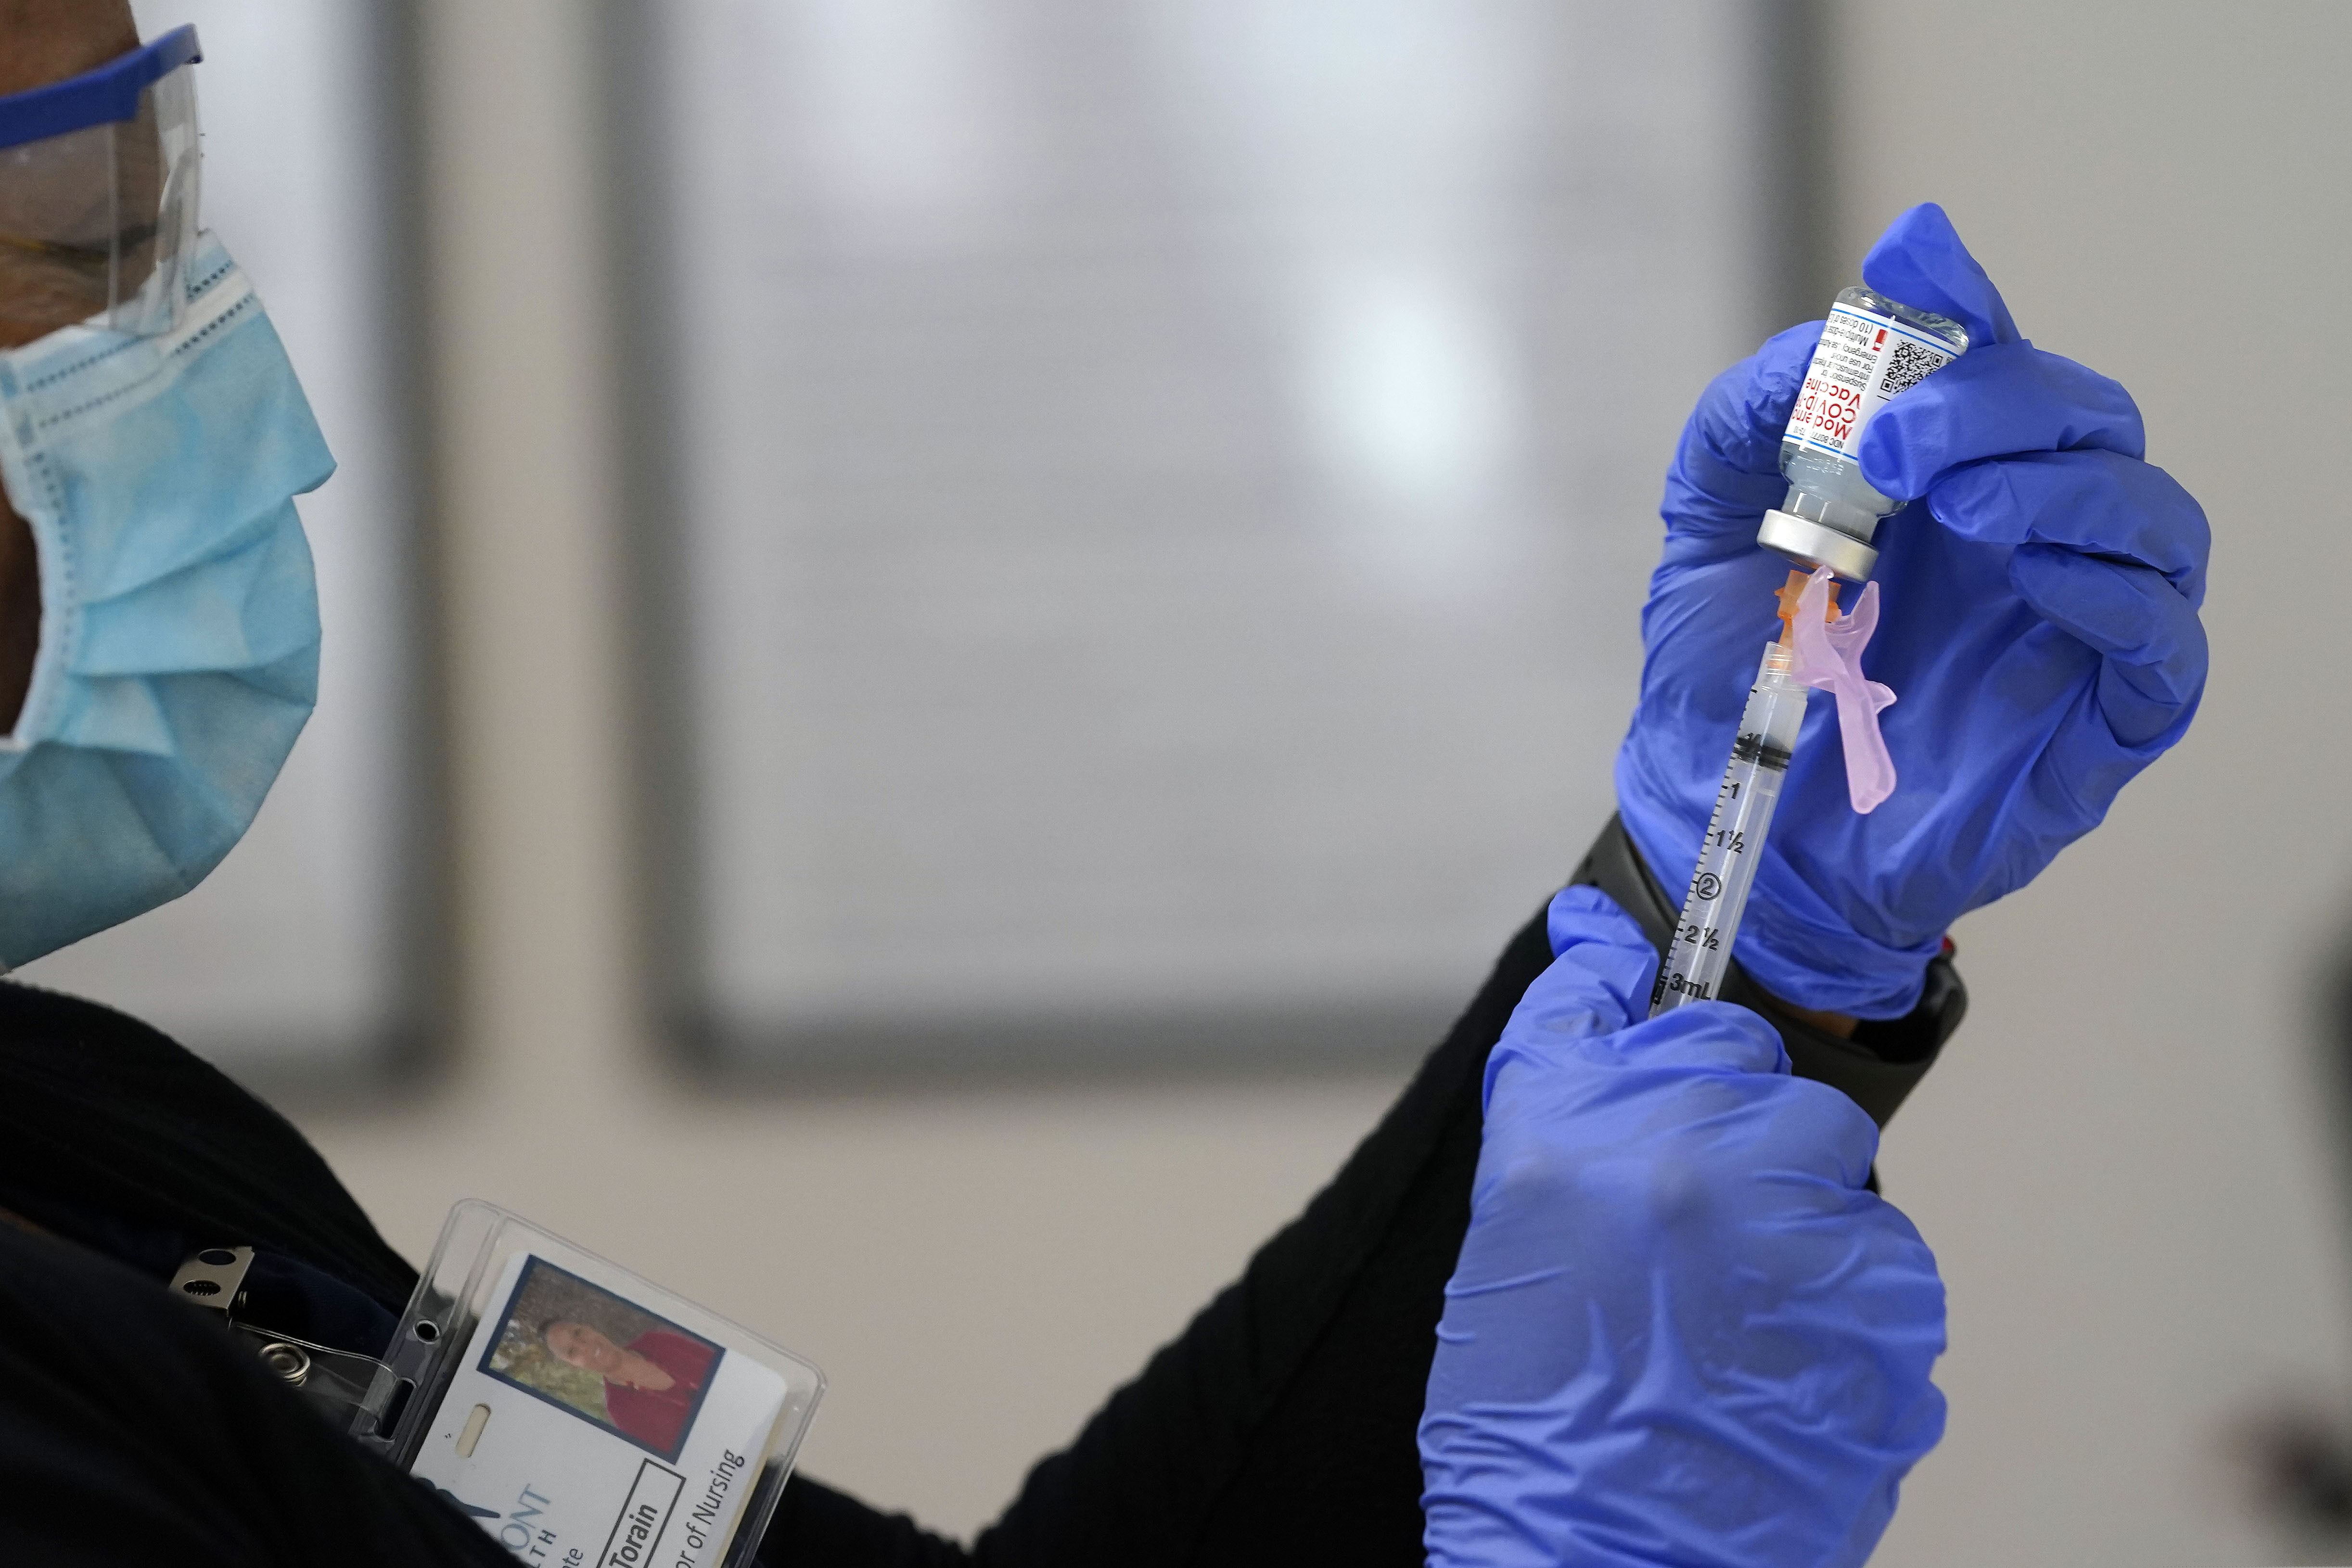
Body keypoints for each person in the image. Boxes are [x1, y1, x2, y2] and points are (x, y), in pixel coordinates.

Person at [0, 8, 2208, 1566]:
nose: (188, 372)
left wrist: (1719, 913)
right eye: (86, 247)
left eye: (157, 226)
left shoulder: (94, 1132)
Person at [539, 1318, 716, 1454]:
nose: (584, 1345)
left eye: (578, 1333)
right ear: (574, 1365)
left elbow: (721, 1364)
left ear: (589, 1327)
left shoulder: (657, 1341)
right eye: (572, 1351)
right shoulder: (621, 1411)